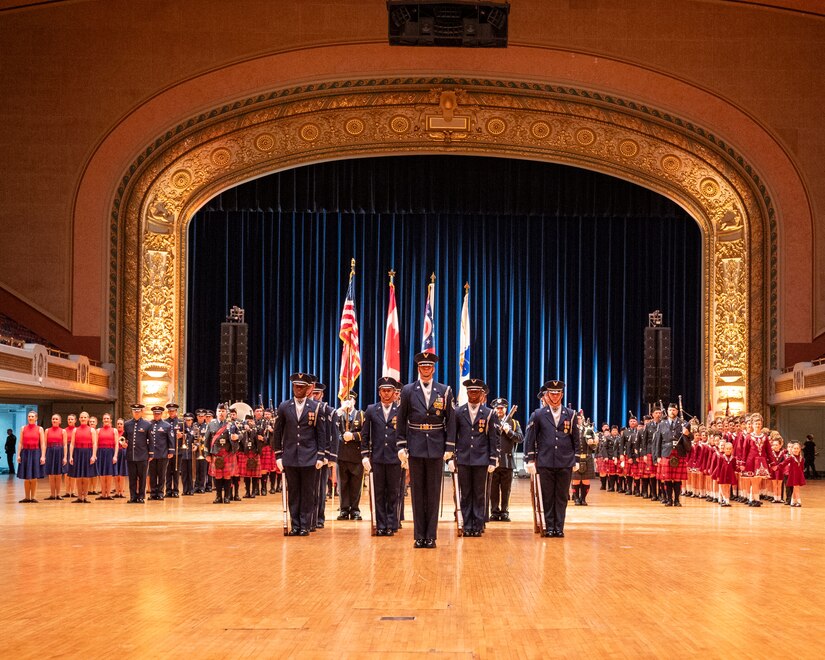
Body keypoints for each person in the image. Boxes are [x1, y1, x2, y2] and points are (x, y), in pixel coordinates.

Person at [396, 351, 456, 549]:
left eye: (429, 367)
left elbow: (451, 421)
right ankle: (419, 536)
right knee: (417, 494)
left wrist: (449, 447)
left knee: (432, 493)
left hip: (437, 447)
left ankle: (431, 536)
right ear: (418, 369)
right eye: (422, 367)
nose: (426, 370)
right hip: (415, 445)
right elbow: (401, 419)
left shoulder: (444, 390)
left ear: (434, 369)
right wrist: (401, 445)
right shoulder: (407, 391)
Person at [272, 373, 328, 535]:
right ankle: (295, 525)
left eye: (302, 387)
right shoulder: (284, 406)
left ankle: (305, 525)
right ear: (293, 387)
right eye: (296, 386)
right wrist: (278, 455)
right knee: (294, 492)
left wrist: (321, 455)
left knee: (308, 493)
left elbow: (321, 434)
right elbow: (278, 432)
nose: (298, 390)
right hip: (290, 457)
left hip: (309, 457)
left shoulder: (315, 407)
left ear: (308, 389)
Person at [524, 380, 579, 537]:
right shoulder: (538, 414)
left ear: (561, 395)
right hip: (545, 461)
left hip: (565, 461)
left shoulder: (570, 414)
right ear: (547, 395)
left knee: (561, 496)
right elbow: (530, 438)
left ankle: (559, 527)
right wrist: (530, 459)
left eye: (557, 393)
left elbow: (576, 438)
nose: (554, 396)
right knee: (547, 496)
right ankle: (549, 527)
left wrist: (576, 458)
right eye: (551, 394)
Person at [451, 378, 498, 537]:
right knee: (465, 493)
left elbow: (493, 438)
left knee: (479, 494)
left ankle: (477, 525)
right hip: (463, 458)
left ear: (481, 394)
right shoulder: (458, 412)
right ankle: (466, 524)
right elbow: (453, 436)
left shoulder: (489, 413)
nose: (473, 394)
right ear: (467, 392)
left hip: (481, 459)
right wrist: (451, 457)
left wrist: (493, 458)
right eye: (471, 391)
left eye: (476, 392)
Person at [361, 376, 403, 536]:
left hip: (394, 458)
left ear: (394, 393)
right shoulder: (372, 410)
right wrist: (365, 455)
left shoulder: (400, 411)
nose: (386, 394)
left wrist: (406, 454)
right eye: (383, 391)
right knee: (378, 493)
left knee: (393, 493)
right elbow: (365, 435)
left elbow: (405, 434)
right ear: (379, 393)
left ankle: (391, 524)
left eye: (389, 391)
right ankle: (380, 524)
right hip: (377, 459)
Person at [652, 403, 692, 507]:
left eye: (674, 410)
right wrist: (658, 457)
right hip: (666, 452)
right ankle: (669, 499)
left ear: (677, 411)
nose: (672, 412)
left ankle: (677, 500)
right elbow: (658, 441)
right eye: (670, 410)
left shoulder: (684, 423)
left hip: (679, 452)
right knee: (667, 478)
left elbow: (690, 438)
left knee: (678, 479)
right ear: (668, 411)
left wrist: (688, 434)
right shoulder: (662, 424)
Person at [489, 397, 522, 521]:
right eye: (497, 408)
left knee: (506, 489)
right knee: (493, 489)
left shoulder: (513, 423)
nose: (499, 410)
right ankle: (494, 511)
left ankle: (504, 511)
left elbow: (520, 438)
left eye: (501, 408)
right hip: (493, 461)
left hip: (507, 461)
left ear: (506, 409)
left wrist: (509, 431)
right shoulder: (490, 421)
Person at [335, 391, 365, 521]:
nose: (348, 402)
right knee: (343, 484)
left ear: (354, 401)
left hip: (356, 455)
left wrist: (353, 436)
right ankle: (343, 509)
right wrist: (339, 411)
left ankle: (355, 509)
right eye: (344, 400)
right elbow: (332, 430)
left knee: (355, 485)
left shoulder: (361, 415)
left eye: (351, 399)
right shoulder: (338, 415)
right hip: (341, 454)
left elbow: (365, 434)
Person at [123, 404, 152, 503]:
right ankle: (133, 496)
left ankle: (141, 496)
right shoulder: (127, 424)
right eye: (134, 411)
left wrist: (151, 454)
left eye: (138, 411)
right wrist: (123, 443)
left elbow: (151, 440)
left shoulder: (147, 424)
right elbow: (124, 438)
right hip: (131, 455)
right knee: (132, 477)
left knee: (142, 477)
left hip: (143, 455)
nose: (136, 412)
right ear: (132, 412)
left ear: (141, 412)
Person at [206, 404, 234, 504]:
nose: (221, 413)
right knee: (217, 476)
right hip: (216, 454)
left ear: (226, 413)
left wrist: (237, 437)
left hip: (227, 453)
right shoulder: (211, 424)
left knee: (227, 476)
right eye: (219, 411)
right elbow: (207, 440)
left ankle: (227, 496)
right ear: (216, 412)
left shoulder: (230, 424)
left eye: (223, 411)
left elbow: (239, 435)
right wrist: (207, 454)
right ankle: (218, 496)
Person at [16, 410, 46, 502]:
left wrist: (43, 456)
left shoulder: (40, 429)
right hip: (25, 453)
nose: (30, 418)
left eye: (32, 416)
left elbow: (42, 444)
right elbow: (20, 442)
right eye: (29, 416)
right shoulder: (23, 428)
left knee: (33, 477)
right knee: (26, 478)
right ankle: (26, 497)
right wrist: (18, 455)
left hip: (36, 453)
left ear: (36, 418)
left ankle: (33, 497)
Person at [68, 411, 98, 503]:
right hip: (78, 453)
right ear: (79, 419)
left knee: (86, 476)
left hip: (87, 453)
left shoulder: (92, 430)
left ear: (88, 419)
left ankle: (85, 497)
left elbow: (94, 443)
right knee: (78, 477)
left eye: (85, 417)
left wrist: (93, 455)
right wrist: (71, 456)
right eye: (81, 417)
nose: (83, 419)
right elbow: (72, 444)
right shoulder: (75, 430)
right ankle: (79, 497)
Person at [147, 406, 174, 500]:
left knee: (162, 474)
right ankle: (153, 493)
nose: (156, 415)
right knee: (152, 474)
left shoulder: (166, 425)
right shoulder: (149, 424)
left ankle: (161, 492)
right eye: (155, 413)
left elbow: (170, 439)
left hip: (163, 453)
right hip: (151, 454)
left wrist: (171, 451)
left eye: (158, 413)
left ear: (161, 414)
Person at [571, 412, 597, 505]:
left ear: (582, 419)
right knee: (576, 480)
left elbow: (594, 447)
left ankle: (583, 499)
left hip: (587, 458)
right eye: (576, 418)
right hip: (575, 458)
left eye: (580, 418)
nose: (578, 420)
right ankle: (576, 499)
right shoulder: (571, 430)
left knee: (586, 480)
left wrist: (593, 442)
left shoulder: (589, 430)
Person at [94, 413, 118, 500]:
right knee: (102, 474)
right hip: (101, 452)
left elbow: (116, 445)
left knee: (109, 474)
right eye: (104, 418)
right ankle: (103, 494)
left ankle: (108, 494)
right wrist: (95, 454)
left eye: (107, 418)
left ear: (110, 420)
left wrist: (115, 456)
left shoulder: (114, 430)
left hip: (110, 452)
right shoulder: (98, 430)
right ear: (102, 420)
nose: (106, 420)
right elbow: (95, 444)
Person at [44, 414, 67, 500]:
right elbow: (44, 444)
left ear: (60, 421)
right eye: (53, 419)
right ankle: (52, 494)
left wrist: (65, 457)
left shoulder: (63, 431)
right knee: (51, 475)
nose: (54, 420)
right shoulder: (47, 430)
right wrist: (44, 455)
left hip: (59, 452)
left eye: (56, 419)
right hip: (50, 451)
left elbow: (65, 445)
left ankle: (58, 494)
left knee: (58, 475)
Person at [164, 402, 184, 497]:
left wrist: (182, 435)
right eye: (170, 411)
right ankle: (168, 490)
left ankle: (175, 490)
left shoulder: (181, 422)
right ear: (168, 412)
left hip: (177, 451)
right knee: (168, 471)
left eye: (173, 411)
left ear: (176, 411)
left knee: (176, 471)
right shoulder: (164, 422)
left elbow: (188, 434)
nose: (172, 412)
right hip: (167, 451)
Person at [783, 441, 806, 506]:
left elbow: (801, 468)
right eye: (794, 448)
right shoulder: (791, 458)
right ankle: (798, 501)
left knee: (796, 488)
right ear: (792, 450)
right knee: (796, 488)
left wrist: (802, 476)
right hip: (792, 476)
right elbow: (783, 464)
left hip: (799, 476)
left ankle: (793, 501)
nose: (796, 450)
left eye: (797, 448)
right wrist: (776, 467)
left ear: (800, 449)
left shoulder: (802, 459)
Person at [114, 417, 128, 498]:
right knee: (116, 474)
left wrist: (126, 445)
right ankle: (116, 492)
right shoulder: (114, 433)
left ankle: (121, 492)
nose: (119, 425)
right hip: (115, 453)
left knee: (122, 474)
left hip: (123, 453)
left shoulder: (126, 433)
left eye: (121, 424)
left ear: (123, 425)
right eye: (118, 424)